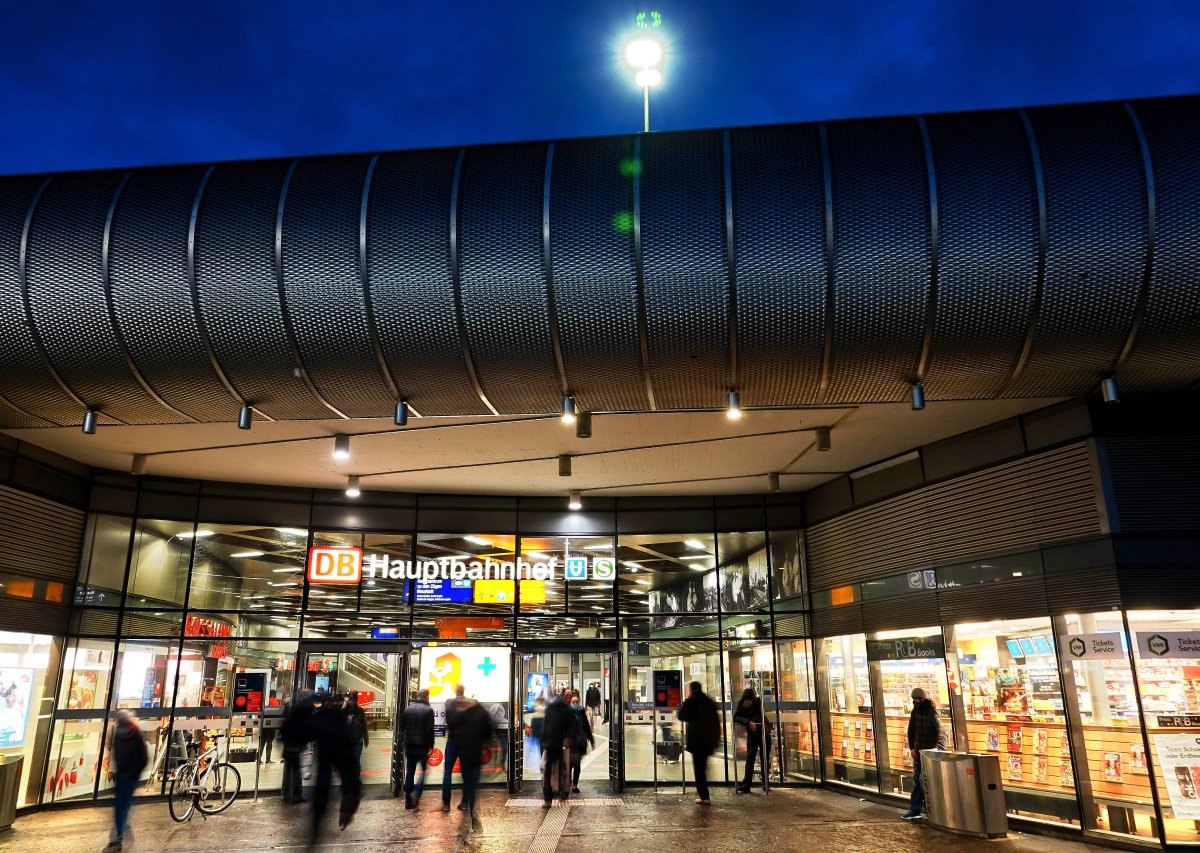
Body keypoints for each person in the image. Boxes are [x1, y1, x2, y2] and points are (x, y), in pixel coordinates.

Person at [308, 693, 363, 842]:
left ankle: (316, 827)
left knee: (322, 786)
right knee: (347, 778)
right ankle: (340, 813)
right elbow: (351, 776)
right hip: (341, 753)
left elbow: (304, 731)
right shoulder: (340, 719)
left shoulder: (322, 716)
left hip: (326, 757)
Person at [448, 697, 494, 834]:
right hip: (475, 754)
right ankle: (470, 805)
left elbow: (452, 725)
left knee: (467, 780)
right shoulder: (483, 714)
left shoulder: (463, 714)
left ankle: (467, 802)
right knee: (472, 782)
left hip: (464, 754)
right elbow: (488, 733)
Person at [104, 709, 148, 852]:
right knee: (123, 804)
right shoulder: (135, 733)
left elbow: (116, 754)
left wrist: (119, 771)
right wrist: (135, 773)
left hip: (123, 775)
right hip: (128, 775)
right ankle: (119, 833)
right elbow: (143, 757)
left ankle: (117, 839)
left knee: (120, 806)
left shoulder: (118, 734)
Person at [902, 687, 946, 820]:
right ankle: (915, 810)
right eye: (913, 699)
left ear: (923, 699)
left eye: (917, 699)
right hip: (918, 753)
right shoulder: (915, 712)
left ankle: (932, 811)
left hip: (930, 753)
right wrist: (912, 748)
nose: (915, 701)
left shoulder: (931, 713)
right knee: (917, 782)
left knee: (925, 782)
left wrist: (938, 750)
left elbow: (940, 732)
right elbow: (911, 731)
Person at [677, 681, 720, 804]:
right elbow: (716, 722)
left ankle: (704, 796)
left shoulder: (692, 701)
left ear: (691, 690)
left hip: (697, 741)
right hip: (708, 740)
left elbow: (681, 715)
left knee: (699, 769)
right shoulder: (709, 702)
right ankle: (704, 793)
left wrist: (686, 701)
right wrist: (715, 740)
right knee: (703, 767)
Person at [400, 689, 435, 809]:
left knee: (410, 771)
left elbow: (402, 726)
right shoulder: (428, 710)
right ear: (427, 697)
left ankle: (408, 799)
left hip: (409, 745)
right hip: (422, 746)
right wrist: (431, 746)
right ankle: (417, 792)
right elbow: (430, 731)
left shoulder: (408, 709)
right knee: (424, 771)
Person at [733, 687, 770, 794]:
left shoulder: (758, 702)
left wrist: (750, 720)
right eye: (746, 701)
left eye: (749, 701)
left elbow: (760, 716)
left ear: (752, 700)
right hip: (752, 736)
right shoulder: (742, 704)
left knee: (764, 759)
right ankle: (746, 784)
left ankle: (765, 782)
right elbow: (736, 717)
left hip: (763, 735)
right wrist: (748, 721)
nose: (747, 703)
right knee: (750, 759)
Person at [539, 693, 574, 806]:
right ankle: (563, 792)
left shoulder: (549, 709)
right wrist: (568, 737)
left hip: (550, 743)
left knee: (548, 769)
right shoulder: (566, 709)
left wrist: (544, 742)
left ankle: (548, 797)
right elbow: (571, 725)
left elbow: (545, 726)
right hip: (562, 743)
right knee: (564, 768)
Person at [280, 689, 314, 804]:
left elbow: (284, 726)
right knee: (296, 770)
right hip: (296, 745)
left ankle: (288, 794)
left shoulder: (292, 708)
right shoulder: (304, 710)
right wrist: (304, 742)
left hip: (289, 744)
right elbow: (304, 728)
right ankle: (296, 794)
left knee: (291, 769)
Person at [441, 684, 466, 811]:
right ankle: (465, 802)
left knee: (447, 771)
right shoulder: (470, 703)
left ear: (455, 691)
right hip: (465, 740)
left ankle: (446, 804)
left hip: (452, 739)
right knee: (466, 772)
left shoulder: (449, 703)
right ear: (464, 691)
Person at [567, 691, 594, 794]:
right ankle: (569, 784)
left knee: (575, 764)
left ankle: (574, 785)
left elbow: (587, 727)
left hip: (579, 743)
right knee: (570, 765)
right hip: (570, 742)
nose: (575, 704)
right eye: (573, 702)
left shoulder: (581, 712)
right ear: (570, 702)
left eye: (576, 702)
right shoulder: (567, 713)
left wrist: (591, 741)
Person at [346, 692, 369, 761]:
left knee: (356, 759)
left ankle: (355, 771)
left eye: (353, 700)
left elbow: (364, 725)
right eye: (350, 700)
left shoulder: (360, 710)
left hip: (358, 738)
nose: (351, 702)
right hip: (347, 739)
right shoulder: (344, 710)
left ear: (356, 700)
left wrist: (366, 738)